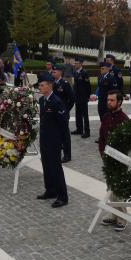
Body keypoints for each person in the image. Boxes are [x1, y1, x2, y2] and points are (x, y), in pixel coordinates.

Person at [98, 90, 130, 231]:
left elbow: (127, 142)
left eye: (111, 100)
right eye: (108, 100)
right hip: (107, 159)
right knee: (110, 188)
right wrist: (102, 153)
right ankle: (114, 215)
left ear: (119, 102)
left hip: (120, 160)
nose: (109, 102)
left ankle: (123, 218)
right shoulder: (105, 117)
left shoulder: (124, 119)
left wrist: (117, 157)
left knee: (119, 190)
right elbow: (102, 137)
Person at [36, 72, 69, 208]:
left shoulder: (57, 102)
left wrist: (63, 144)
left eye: (42, 85)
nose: (40, 88)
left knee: (56, 168)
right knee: (46, 166)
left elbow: (63, 125)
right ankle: (50, 190)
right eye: (40, 85)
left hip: (54, 140)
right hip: (44, 138)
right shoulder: (43, 100)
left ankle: (62, 196)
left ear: (50, 86)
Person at [52, 65, 74, 162]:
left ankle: (67, 155)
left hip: (63, 114)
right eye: (53, 72)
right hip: (54, 114)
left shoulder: (65, 83)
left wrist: (66, 109)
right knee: (56, 135)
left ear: (60, 72)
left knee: (65, 135)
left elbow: (72, 98)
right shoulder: (52, 84)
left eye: (55, 71)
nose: (53, 73)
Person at [72, 57, 91, 138]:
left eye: (76, 63)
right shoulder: (75, 72)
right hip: (77, 97)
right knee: (78, 114)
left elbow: (88, 86)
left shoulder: (84, 73)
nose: (75, 64)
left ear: (81, 64)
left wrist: (87, 97)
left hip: (83, 97)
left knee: (85, 115)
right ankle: (79, 129)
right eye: (75, 63)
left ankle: (87, 131)